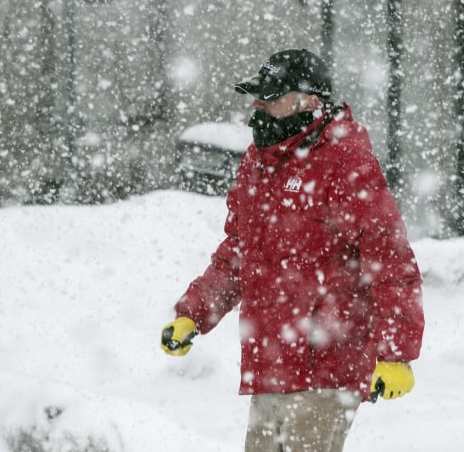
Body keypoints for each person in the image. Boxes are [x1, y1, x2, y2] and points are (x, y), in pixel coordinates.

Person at [161, 48, 424, 451]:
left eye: (271, 96)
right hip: (272, 362)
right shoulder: (258, 159)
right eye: (257, 95)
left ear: (309, 100)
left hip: (328, 365)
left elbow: (389, 259)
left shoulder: (343, 160)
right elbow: (239, 251)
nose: (258, 104)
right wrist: (193, 313)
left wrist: (396, 353)